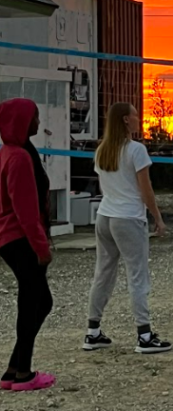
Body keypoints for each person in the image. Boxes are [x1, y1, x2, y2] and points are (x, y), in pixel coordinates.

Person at [84, 102, 172, 354]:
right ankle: (144, 336)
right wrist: (158, 217)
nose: (138, 118)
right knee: (137, 275)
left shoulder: (102, 150)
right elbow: (146, 190)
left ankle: (92, 332)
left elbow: (105, 188)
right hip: (128, 218)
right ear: (125, 120)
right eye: (135, 114)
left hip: (105, 216)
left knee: (103, 273)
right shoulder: (136, 150)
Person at [0, 99, 55, 392]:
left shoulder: (11, 152)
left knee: (33, 301)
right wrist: (41, 248)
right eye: (34, 116)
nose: (38, 121)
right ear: (21, 121)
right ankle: (22, 373)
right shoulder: (19, 157)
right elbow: (26, 211)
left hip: (11, 239)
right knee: (38, 301)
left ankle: (14, 370)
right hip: (19, 239)